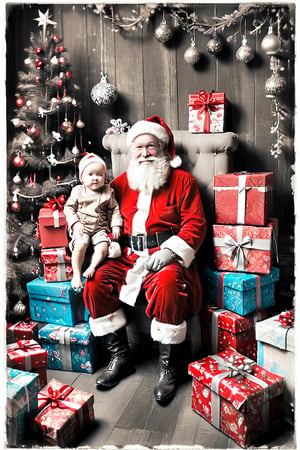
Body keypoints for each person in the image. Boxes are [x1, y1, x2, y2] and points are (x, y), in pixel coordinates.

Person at [83, 115, 207, 404]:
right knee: (95, 282)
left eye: (151, 146)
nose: (144, 153)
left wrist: (168, 253)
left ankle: (169, 366)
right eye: (138, 148)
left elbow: (195, 224)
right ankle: (120, 357)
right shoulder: (119, 184)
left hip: (168, 256)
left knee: (167, 284)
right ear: (130, 153)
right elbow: (99, 217)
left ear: (163, 149)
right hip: (126, 255)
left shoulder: (183, 182)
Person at [64, 153, 123, 292]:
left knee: (103, 247)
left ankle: (93, 266)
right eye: (90, 174)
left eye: (99, 174)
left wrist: (116, 225)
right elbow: (68, 208)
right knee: (81, 243)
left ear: (105, 177)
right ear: (82, 178)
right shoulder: (78, 191)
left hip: (100, 228)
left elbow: (115, 209)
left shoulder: (107, 192)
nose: (95, 178)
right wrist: (75, 223)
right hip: (82, 227)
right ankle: (77, 274)